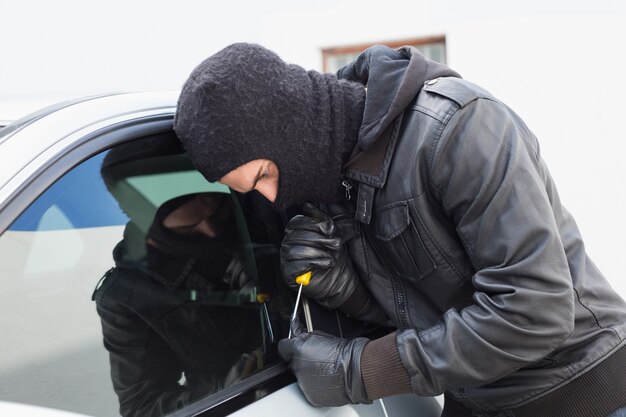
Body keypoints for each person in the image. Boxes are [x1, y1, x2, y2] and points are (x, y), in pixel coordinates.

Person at [173, 43, 626, 417]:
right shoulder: (332, 180)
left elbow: (536, 311)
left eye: (264, 176)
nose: (271, 198)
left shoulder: (460, 128)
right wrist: (346, 290)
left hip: (583, 392)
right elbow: (430, 309)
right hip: (479, 401)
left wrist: (361, 371)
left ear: (290, 125)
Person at [93, 192, 266, 417]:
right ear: (149, 226)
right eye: (191, 225)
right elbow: (141, 405)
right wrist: (221, 392)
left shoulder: (256, 212)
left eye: (217, 213)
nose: (211, 230)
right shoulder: (129, 295)